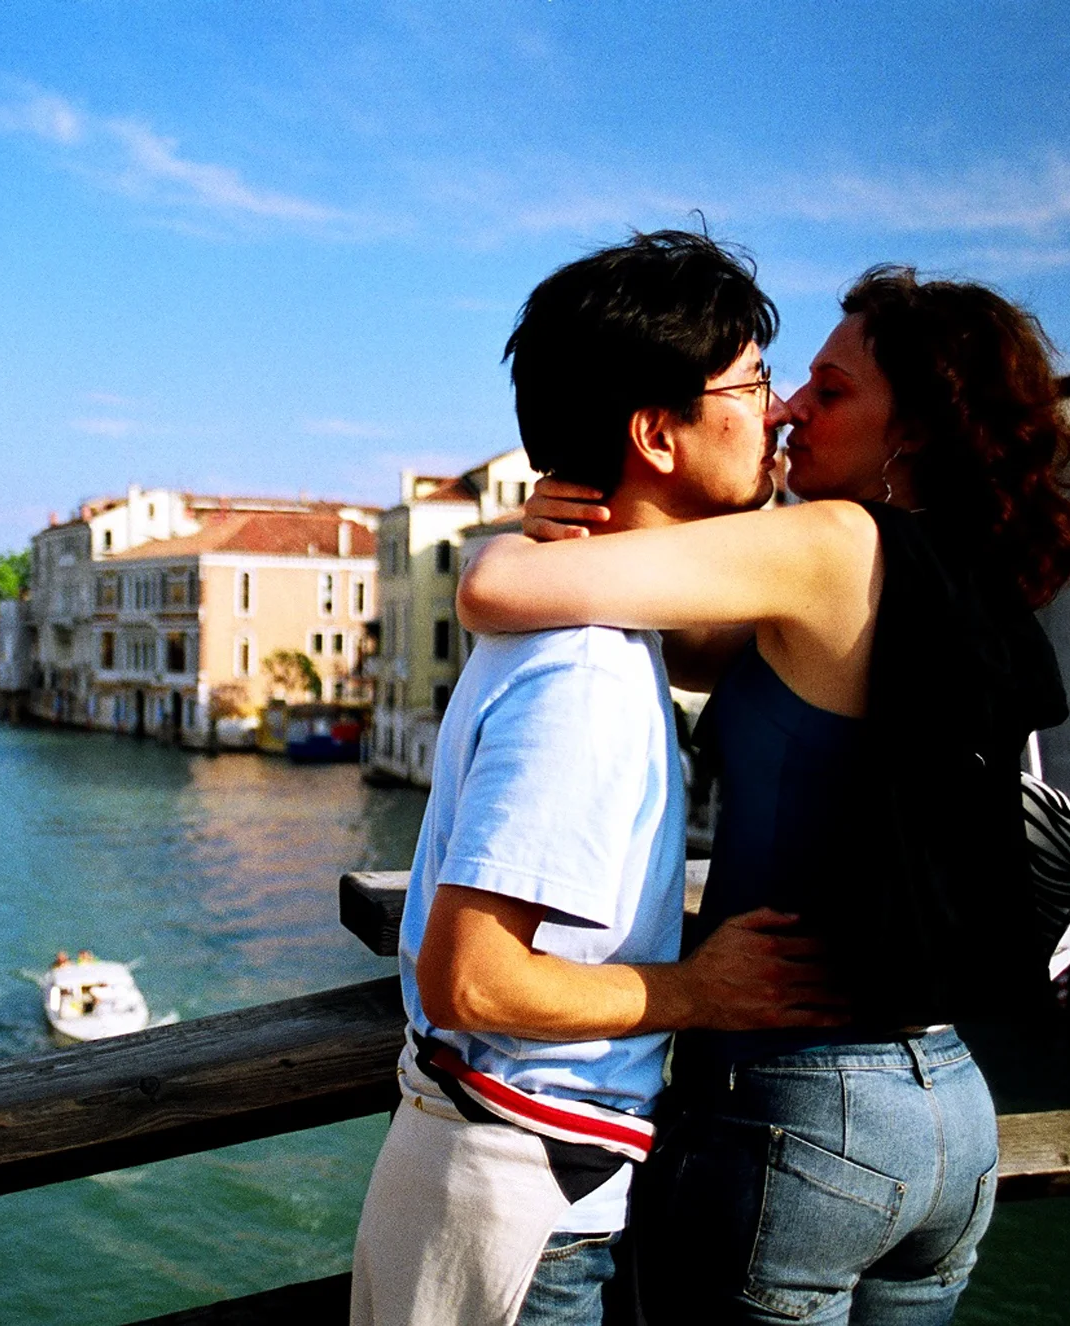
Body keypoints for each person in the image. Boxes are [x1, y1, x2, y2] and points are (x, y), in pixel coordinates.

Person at [458, 266, 1070, 1323]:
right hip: (943, 1107)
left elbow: (490, 592)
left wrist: (514, 537)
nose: (791, 406)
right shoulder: (958, 571)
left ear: (914, 428)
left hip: (801, 1096)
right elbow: (700, 650)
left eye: (830, 391)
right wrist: (603, 516)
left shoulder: (832, 544)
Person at [349, 232, 846, 1326]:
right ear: (656, 433)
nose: (773, 410)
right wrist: (697, 993)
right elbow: (470, 982)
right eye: (753, 383)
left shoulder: (599, 628)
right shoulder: (581, 672)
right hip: (522, 1211)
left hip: (510, 1181)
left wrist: (499, 557)